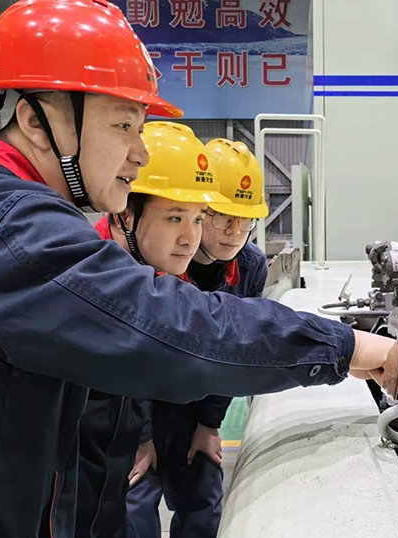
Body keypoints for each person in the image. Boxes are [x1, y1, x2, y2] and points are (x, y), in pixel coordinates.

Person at [0, 1, 398, 535]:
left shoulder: (8, 217)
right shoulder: (12, 235)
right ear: (37, 122)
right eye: (123, 125)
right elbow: (170, 326)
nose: (139, 155)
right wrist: (342, 346)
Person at [75, 122, 227, 537]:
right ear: (126, 212)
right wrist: (138, 437)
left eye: (198, 219)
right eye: (175, 217)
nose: (190, 239)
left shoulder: (170, 274)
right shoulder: (86, 281)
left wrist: (209, 421)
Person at [126, 137, 269, 538]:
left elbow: (235, 351)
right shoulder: (149, 257)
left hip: (196, 400)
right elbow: (131, 354)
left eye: (246, 222)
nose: (235, 234)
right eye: (222, 218)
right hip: (137, 400)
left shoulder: (250, 266)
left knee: (204, 502)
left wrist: (210, 422)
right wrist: (141, 435)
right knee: (133, 507)